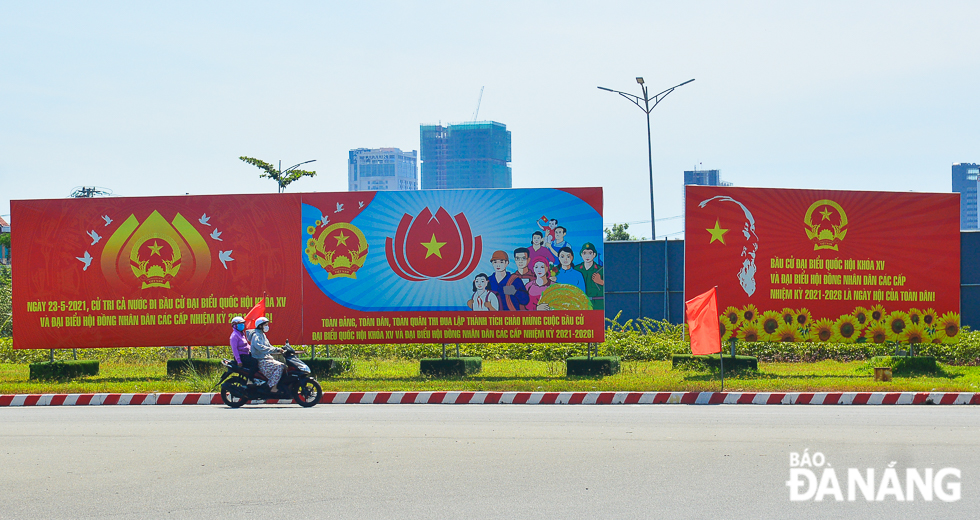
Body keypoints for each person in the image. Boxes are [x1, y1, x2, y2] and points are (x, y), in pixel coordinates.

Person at [246, 316, 284, 393]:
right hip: (261, 360)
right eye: (265, 325)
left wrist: (279, 349)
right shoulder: (256, 335)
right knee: (280, 366)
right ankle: (271, 387)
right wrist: (276, 349)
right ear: (260, 326)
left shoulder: (262, 335)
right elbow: (261, 347)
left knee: (283, 365)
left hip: (266, 359)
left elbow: (269, 346)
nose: (267, 327)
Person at [574, 242, 604, 310]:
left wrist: (601, 281)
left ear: (594, 255)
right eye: (584, 253)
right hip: (580, 304)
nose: (587, 256)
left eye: (590, 253)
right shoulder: (576, 269)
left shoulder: (601, 270)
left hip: (597, 305)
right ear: (581, 255)